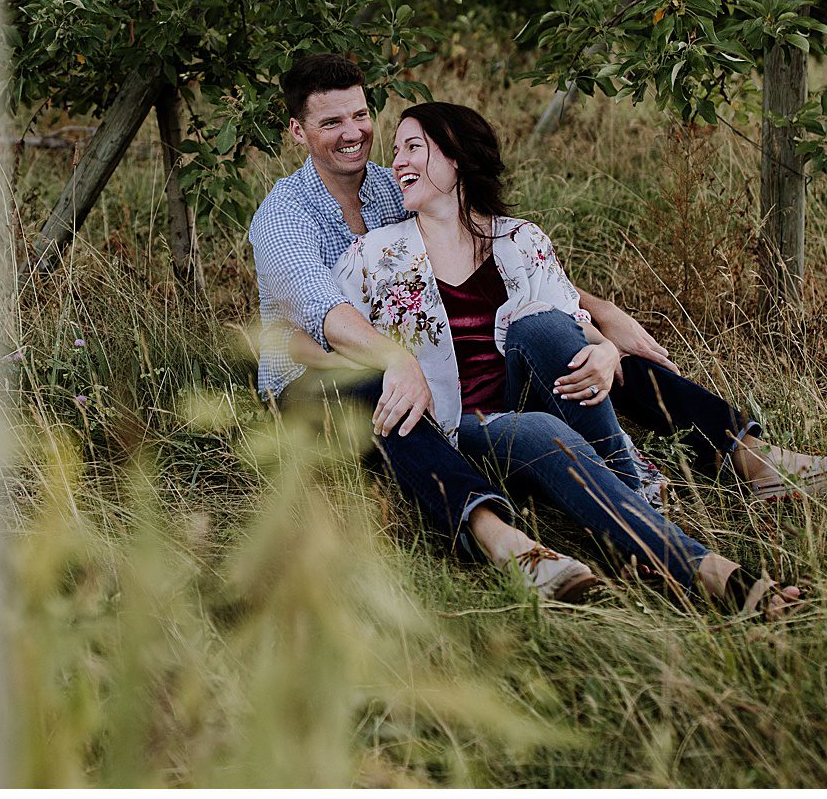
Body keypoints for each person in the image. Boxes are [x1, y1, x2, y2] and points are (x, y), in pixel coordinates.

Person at [247, 55, 827, 600]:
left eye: (361, 114)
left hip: (435, 376)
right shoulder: (285, 218)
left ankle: (753, 459)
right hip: (317, 386)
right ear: (299, 133)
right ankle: (502, 539)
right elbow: (324, 323)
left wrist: (601, 319)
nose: (354, 132)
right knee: (392, 397)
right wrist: (397, 359)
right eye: (331, 121)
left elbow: (487, 255)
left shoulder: (393, 187)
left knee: (567, 341)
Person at [334, 101, 800, 615]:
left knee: (540, 325)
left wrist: (602, 351)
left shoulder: (521, 239)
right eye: (396, 149)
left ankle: (624, 487)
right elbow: (336, 336)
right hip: (456, 427)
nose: (397, 161)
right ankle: (706, 570)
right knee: (536, 429)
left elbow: (571, 321)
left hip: (530, 395)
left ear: (457, 157)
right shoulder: (374, 254)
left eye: (413, 147)